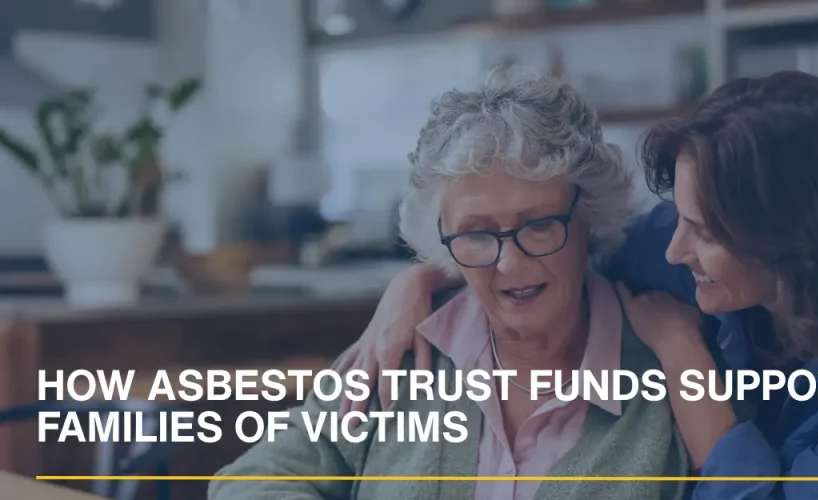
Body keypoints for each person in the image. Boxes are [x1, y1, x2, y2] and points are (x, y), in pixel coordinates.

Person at [336, 70, 818, 499]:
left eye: (704, 232)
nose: (672, 247)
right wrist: (420, 280)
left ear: (792, 247)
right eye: (679, 216)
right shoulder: (676, 246)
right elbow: (542, 253)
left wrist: (684, 357)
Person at [209, 68, 708, 500]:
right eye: (475, 233)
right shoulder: (399, 353)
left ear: (590, 216)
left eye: (538, 225)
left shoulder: (674, 379)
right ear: (442, 239)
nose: (510, 263)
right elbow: (251, 479)